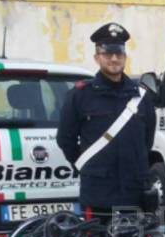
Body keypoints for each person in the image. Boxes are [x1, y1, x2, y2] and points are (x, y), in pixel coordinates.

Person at [56, 22, 157, 220]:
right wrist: (87, 166)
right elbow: (65, 139)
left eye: (119, 53)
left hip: (134, 191)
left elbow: (147, 141)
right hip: (98, 191)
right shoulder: (80, 95)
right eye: (107, 53)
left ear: (125, 56)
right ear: (97, 57)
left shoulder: (142, 97)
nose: (114, 58)